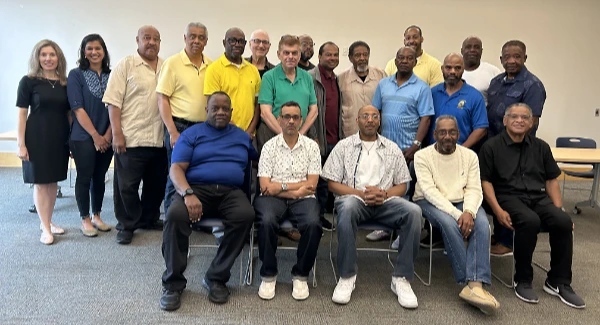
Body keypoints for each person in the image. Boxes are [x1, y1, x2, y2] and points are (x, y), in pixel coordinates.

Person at [479, 103, 585, 309]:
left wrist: (558, 208)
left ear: (532, 122)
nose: (519, 120)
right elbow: (486, 182)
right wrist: (498, 211)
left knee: (563, 221)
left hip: (538, 197)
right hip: (507, 197)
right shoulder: (491, 147)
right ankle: (523, 279)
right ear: (505, 121)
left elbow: (552, 180)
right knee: (529, 221)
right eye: (514, 116)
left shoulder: (541, 147)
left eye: (525, 117)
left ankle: (558, 281)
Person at [160, 92, 257, 310]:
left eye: (225, 108)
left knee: (246, 214)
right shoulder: (191, 134)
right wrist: (187, 194)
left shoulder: (242, 136)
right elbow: (175, 169)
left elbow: (256, 162)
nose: (220, 112)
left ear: (231, 112)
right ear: (207, 110)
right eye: (215, 108)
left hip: (230, 192)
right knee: (175, 215)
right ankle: (173, 283)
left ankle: (216, 277)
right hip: (195, 190)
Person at [322, 105, 421, 308]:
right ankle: (347, 276)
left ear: (379, 121)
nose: (370, 120)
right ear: (357, 120)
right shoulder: (343, 146)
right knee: (348, 207)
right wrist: (360, 194)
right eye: (365, 116)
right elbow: (331, 183)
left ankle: (401, 278)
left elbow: (402, 185)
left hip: (386, 201)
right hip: (354, 199)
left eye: (374, 116)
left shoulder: (392, 148)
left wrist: (383, 194)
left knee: (414, 211)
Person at [414, 115, 499, 315]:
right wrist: (457, 213)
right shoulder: (422, 156)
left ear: (458, 134)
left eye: (452, 132)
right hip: (429, 201)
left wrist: (469, 211)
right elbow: (429, 192)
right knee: (449, 223)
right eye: (442, 132)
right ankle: (470, 283)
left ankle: (475, 285)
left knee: (482, 224)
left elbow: (474, 189)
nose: (447, 136)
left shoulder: (470, 156)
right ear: (434, 134)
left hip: (462, 200)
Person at [103, 26, 168, 245]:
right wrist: (117, 134)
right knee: (126, 186)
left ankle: (149, 218)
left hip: (159, 138)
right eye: (146, 38)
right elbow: (113, 102)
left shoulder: (166, 66)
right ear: (137, 40)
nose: (151, 42)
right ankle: (127, 224)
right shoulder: (126, 65)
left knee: (156, 184)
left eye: (155, 39)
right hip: (131, 137)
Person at [254, 101, 322, 301]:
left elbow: (311, 185)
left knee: (313, 223)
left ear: (301, 120)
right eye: (286, 117)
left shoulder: (311, 147)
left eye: (295, 117)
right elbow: (266, 186)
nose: (291, 121)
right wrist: (293, 190)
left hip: (304, 197)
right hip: (273, 198)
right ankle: (268, 274)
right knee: (266, 221)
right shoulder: (269, 147)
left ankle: (301, 274)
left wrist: (282, 186)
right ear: (279, 120)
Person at [367, 46, 434, 243]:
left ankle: (404, 233)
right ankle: (387, 228)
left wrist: (416, 144)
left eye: (409, 58)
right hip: (386, 147)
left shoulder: (422, 87)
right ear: (395, 61)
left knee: (405, 190)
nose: (404, 61)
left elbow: (426, 118)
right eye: (401, 58)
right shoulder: (383, 84)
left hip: (408, 149)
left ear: (415, 62)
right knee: (385, 186)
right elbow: (375, 111)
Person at [486, 40, 547, 255]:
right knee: (494, 189)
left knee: (509, 191)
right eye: (507, 57)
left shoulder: (533, 85)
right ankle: (500, 232)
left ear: (525, 58)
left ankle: (507, 242)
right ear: (501, 59)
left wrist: (512, 145)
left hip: (516, 149)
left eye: (517, 56)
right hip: (493, 146)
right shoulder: (496, 82)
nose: (512, 60)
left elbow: (532, 121)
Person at [256, 35, 319, 242]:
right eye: (286, 53)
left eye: (295, 53)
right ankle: (272, 227)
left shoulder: (306, 77)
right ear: (279, 54)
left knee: (301, 178)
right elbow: (265, 111)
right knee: (270, 180)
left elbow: (313, 110)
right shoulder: (270, 77)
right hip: (272, 133)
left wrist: (299, 134)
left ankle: (293, 218)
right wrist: (284, 133)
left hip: (299, 134)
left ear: (300, 54)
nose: (291, 56)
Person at [16, 40, 70, 245]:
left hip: (59, 137)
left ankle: (48, 220)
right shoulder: (28, 81)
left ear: (59, 58)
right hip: (36, 136)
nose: (48, 58)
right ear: (37, 58)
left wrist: (72, 139)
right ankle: (45, 228)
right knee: (40, 182)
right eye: (43, 54)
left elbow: (69, 114)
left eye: (52, 54)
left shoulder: (64, 83)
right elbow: (22, 114)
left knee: (53, 181)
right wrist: (21, 143)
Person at [157, 22, 212, 215]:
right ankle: (171, 218)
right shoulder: (172, 63)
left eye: (201, 37)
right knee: (176, 174)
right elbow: (162, 99)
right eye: (192, 36)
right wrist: (172, 131)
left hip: (204, 128)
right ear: (185, 38)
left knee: (198, 175)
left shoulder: (211, 65)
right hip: (179, 126)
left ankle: (194, 217)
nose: (196, 40)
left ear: (206, 41)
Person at [67, 34, 113, 238]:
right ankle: (84, 218)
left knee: (100, 177)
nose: (94, 52)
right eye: (89, 48)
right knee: (85, 176)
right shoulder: (76, 75)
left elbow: (117, 107)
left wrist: (108, 135)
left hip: (108, 134)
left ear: (104, 51)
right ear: (83, 52)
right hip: (83, 136)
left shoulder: (113, 75)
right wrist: (96, 136)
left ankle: (97, 215)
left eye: (98, 48)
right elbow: (77, 109)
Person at [308, 41, 341, 231]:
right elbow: (306, 108)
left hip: (334, 139)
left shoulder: (337, 79)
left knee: (327, 181)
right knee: (317, 182)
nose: (333, 58)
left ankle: (320, 217)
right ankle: (315, 219)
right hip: (317, 138)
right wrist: (312, 135)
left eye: (336, 55)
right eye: (328, 54)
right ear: (319, 57)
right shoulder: (310, 77)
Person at [204, 27, 261, 137]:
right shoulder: (213, 69)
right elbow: (213, 107)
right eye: (232, 40)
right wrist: (236, 132)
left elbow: (257, 105)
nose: (237, 44)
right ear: (224, 43)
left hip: (249, 135)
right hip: (223, 134)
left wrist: (249, 131)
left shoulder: (253, 70)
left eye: (241, 41)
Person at [429, 53, 488, 149]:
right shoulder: (432, 93)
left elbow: (481, 129)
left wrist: (461, 150)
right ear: (442, 68)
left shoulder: (474, 96)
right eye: (448, 68)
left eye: (457, 68)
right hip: (433, 153)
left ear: (463, 69)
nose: (452, 71)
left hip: (463, 154)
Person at [338, 41, 386, 138]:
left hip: (376, 131)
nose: (362, 58)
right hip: (350, 131)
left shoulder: (380, 75)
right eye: (357, 55)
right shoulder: (341, 78)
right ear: (350, 58)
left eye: (365, 55)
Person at [460, 36, 501, 104]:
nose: (472, 50)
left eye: (476, 47)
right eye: (468, 47)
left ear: (481, 51)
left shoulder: (493, 71)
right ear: (462, 51)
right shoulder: (454, 72)